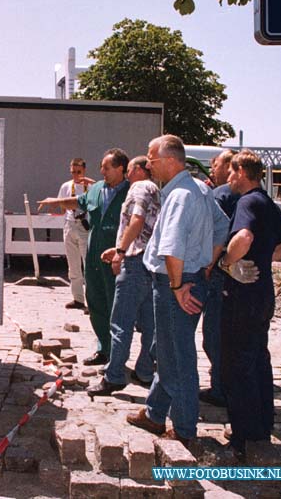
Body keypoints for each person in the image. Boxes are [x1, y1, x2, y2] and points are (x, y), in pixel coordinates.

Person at [126, 135, 229, 446]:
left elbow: (171, 250)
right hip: (190, 279)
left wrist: (178, 284)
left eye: (151, 160)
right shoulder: (199, 188)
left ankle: (184, 429)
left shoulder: (180, 196)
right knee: (169, 352)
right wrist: (206, 267)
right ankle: (156, 413)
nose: (148, 165)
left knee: (178, 356)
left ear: (169, 160)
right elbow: (222, 228)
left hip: (175, 284)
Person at [218, 150, 281, 457]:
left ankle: (244, 436)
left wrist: (228, 262)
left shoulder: (248, 202)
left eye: (230, 172)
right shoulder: (267, 201)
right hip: (263, 293)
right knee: (258, 361)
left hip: (242, 296)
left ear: (241, 172)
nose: (227, 178)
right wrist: (266, 259)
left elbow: (244, 237)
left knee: (235, 366)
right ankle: (262, 425)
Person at [39, 149, 130, 366]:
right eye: (101, 167)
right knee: (96, 303)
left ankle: (118, 356)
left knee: (116, 307)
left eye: (106, 167)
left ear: (120, 169)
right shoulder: (97, 189)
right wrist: (55, 201)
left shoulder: (131, 191)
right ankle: (103, 349)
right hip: (94, 255)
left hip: (117, 257)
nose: (102, 171)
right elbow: (79, 201)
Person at [88, 156, 160, 396]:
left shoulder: (139, 187)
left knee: (121, 321)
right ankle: (145, 370)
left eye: (129, 170)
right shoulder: (155, 190)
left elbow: (137, 219)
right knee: (149, 321)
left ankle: (115, 375)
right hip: (150, 262)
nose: (128, 175)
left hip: (134, 263)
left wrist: (121, 251)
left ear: (138, 170)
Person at [199, 149, 240, 408]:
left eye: (215, 165)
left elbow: (210, 234)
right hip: (239, 277)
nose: (211, 170)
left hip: (217, 275)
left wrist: (212, 263)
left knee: (213, 333)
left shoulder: (220, 196)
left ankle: (220, 388)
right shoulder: (248, 197)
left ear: (229, 166)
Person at [56, 158, 95, 309]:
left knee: (88, 265)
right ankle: (78, 298)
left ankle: (92, 302)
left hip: (85, 226)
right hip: (70, 224)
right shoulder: (66, 186)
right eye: (73, 172)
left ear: (84, 170)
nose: (76, 175)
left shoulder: (91, 186)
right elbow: (61, 205)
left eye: (79, 172)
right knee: (73, 265)